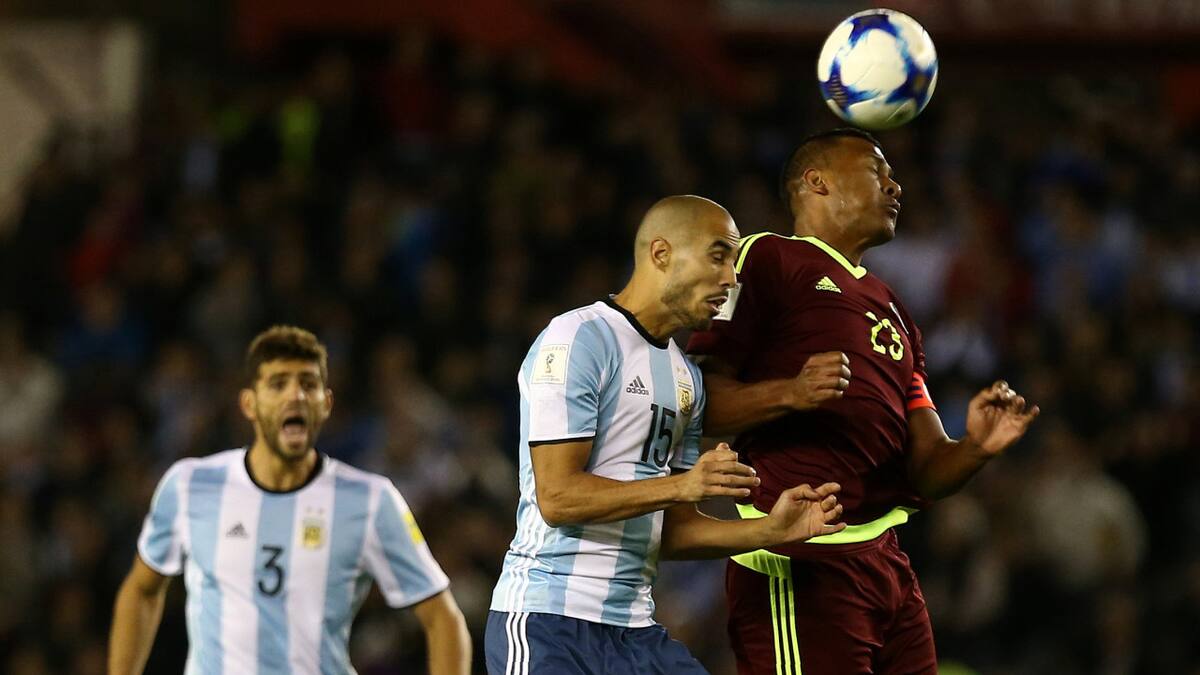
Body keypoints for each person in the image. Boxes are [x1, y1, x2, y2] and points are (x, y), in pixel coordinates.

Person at [687, 129, 1040, 675]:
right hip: (799, 556)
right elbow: (699, 407)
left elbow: (926, 472)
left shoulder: (895, 308)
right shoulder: (765, 257)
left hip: (885, 562)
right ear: (817, 181)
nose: (896, 185)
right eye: (879, 171)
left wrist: (975, 448)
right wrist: (791, 392)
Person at [485, 195, 846, 674]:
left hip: (635, 631)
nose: (731, 279)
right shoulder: (579, 339)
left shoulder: (686, 380)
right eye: (719, 256)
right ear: (661, 253)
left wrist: (771, 530)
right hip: (548, 622)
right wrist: (682, 484)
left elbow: (673, 530)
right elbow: (558, 497)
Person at [108, 326, 471, 675]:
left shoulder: (370, 501)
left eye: (308, 384)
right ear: (249, 403)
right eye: (278, 384)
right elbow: (141, 591)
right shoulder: (190, 485)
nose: (294, 395)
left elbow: (443, 619)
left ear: (326, 403)